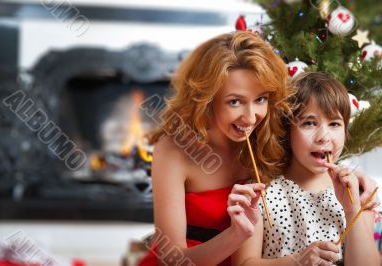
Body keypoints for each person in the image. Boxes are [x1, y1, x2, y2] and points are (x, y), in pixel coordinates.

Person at [138, 31, 292, 266]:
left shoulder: (268, 136)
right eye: (235, 101)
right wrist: (236, 236)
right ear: (206, 100)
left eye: (260, 99)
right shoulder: (173, 150)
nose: (251, 117)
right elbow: (172, 258)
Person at [233, 72, 381, 266]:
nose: (324, 136)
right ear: (288, 131)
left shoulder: (357, 192)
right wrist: (296, 261)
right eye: (309, 123)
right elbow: (243, 263)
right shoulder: (260, 193)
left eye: (334, 123)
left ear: (345, 131)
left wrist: (352, 210)